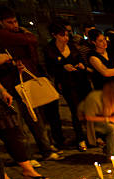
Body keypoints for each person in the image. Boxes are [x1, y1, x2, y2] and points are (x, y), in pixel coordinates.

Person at [0, 5, 61, 161]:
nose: (14, 25)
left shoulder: (15, 32)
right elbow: (31, 39)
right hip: (10, 84)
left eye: (15, 21)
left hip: (26, 80)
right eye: (10, 22)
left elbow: (31, 45)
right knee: (20, 124)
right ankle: (27, 158)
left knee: (35, 118)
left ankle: (46, 149)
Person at [44, 22, 91, 151]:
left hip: (81, 80)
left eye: (67, 35)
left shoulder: (71, 46)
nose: (66, 38)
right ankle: (80, 138)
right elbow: (49, 68)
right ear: (54, 35)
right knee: (75, 110)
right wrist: (62, 67)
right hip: (66, 83)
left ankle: (93, 136)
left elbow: (80, 59)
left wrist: (81, 65)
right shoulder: (49, 49)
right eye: (62, 35)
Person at [80, 81, 114, 162]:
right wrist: (108, 119)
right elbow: (88, 117)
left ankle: (107, 148)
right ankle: (111, 155)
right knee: (112, 130)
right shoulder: (94, 98)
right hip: (92, 122)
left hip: (105, 121)